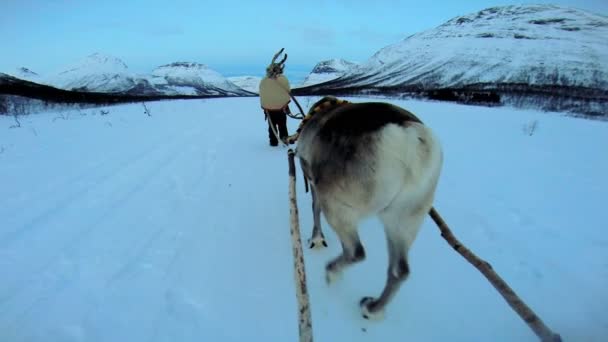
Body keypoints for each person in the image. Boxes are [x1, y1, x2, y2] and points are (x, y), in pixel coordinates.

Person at [259, 48, 292, 146]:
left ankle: (273, 141)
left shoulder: (264, 80)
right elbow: (288, 91)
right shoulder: (282, 79)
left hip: (269, 109)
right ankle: (284, 139)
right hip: (281, 108)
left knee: (271, 126)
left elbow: (262, 92)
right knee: (282, 125)